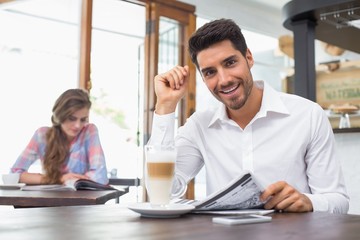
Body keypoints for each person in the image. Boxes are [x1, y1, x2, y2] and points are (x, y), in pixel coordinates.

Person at [148, 18, 349, 213]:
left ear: (249, 58)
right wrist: (165, 106)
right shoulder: (199, 125)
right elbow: (163, 193)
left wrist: (309, 201)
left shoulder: (308, 115)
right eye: (210, 72)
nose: (224, 80)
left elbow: (338, 201)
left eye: (230, 63)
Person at [11, 88, 109, 185]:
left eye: (83, 119)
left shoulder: (89, 131)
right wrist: (59, 179)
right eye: (72, 118)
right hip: (50, 199)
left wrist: (70, 180)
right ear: (60, 115)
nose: (78, 125)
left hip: (82, 200)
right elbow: (14, 174)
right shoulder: (42, 135)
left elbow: (100, 176)